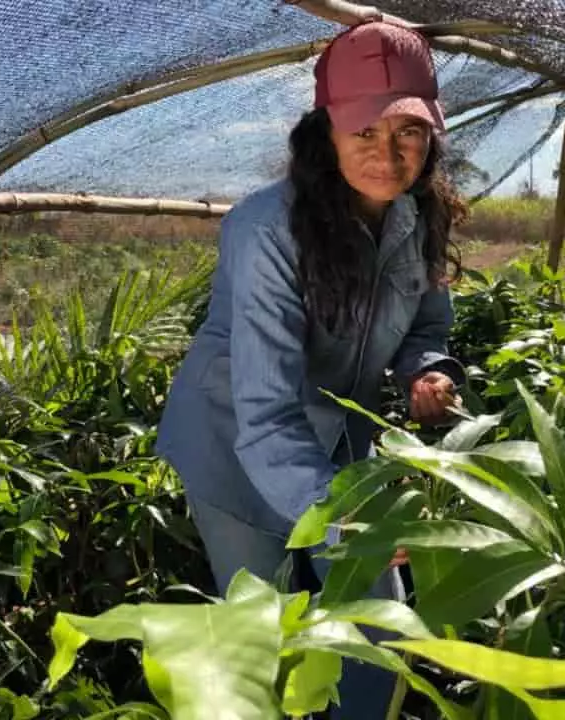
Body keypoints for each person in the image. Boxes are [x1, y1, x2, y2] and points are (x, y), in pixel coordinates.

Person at [155, 18, 466, 718]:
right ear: (324, 133)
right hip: (233, 440)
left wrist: (428, 371)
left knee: (376, 631)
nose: (388, 155)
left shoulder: (419, 216)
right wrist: (347, 520)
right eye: (365, 133)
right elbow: (265, 417)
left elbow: (426, 324)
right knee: (260, 626)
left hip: (340, 427)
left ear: (431, 136)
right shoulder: (266, 230)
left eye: (408, 133)